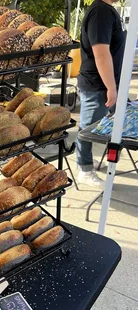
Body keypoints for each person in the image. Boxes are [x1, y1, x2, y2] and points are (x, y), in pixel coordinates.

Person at [76, 0, 127, 187]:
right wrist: (111, 87)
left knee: (115, 122)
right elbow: (101, 53)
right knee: (87, 128)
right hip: (98, 84)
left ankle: (87, 160)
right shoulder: (101, 12)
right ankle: (84, 168)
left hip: (106, 82)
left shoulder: (107, 10)